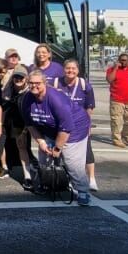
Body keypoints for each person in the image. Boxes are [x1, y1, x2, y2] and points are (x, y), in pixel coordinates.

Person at [20, 70, 91, 206]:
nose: (34, 86)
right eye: (31, 83)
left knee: (72, 162)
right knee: (44, 157)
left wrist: (58, 148)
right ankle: (48, 183)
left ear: (45, 83)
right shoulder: (27, 99)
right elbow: (29, 124)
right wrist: (41, 142)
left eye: (38, 83)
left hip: (74, 129)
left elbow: (66, 128)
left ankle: (82, 191)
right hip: (49, 129)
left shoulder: (55, 99)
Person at [54, 59, 99, 191]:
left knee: (87, 152)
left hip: (80, 125)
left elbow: (89, 107)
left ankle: (91, 179)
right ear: (64, 70)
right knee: (65, 154)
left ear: (78, 70)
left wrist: (88, 125)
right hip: (62, 125)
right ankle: (69, 179)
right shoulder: (57, 83)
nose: (70, 71)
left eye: (73, 68)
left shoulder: (85, 85)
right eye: (68, 68)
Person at [5, 64, 37, 190]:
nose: (19, 80)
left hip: (35, 123)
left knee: (41, 149)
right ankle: (27, 176)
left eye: (21, 77)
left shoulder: (31, 91)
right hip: (19, 124)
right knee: (22, 147)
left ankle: (47, 174)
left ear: (26, 79)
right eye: (16, 77)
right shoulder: (9, 90)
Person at [106, 52, 128, 148]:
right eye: (121, 60)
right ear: (118, 60)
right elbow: (109, 80)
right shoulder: (111, 70)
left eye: (125, 60)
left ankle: (125, 136)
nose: (123, 62)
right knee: (116, 121)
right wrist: (115, 68)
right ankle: (116, 139)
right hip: (116, 100)